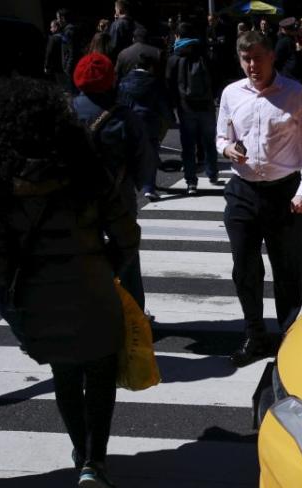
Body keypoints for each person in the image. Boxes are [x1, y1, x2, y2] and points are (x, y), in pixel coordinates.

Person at [0, 76, 141, 488]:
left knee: (65, 375)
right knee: (102, 372)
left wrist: (17, 297)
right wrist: (107, 265)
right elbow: (127, 234)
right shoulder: (87, 173)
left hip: (38, 298)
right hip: (92, 289)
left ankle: (79, 450)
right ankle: (96, 459)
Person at [215, 30, 302, 367]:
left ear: (271, 57)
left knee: (287, 269)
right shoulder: (231, 93)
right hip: (243, 192)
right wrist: (227, 148)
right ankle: (255, 335)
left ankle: (288, 336)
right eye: (246, 59)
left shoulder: (295, 93)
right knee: (245, 269)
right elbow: (221, 135)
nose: (252, 65)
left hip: (284, 193)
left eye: (257, 58)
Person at [71, 53, 152, 314]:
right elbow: (144, 157)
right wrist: (137, 184)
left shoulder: (66, 111)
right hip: (118, 195)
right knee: (127, 254)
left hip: (76, 200)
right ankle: (133, 314)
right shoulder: (123, 116)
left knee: (82, 255)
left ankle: (92, 312)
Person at [167, 23, 219, 195]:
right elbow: (216, 77)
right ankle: (212, 172)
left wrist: (174, 103)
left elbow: (170, 83)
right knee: (209, 140)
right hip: (206, 105)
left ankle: (191, 181)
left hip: (186, 106)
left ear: (178, 36)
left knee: (188, 144)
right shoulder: (204, 54)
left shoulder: (175, 57)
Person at [118, 52, 173, 201]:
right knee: (151, 153)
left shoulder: (124, 81)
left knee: (130, 152)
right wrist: (169, 119)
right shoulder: (154, 82)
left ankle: (130, 184)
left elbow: (120, 102)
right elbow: (162, 104)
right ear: (150, 67)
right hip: (150, 121)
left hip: (130, 119)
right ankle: (149, 187)